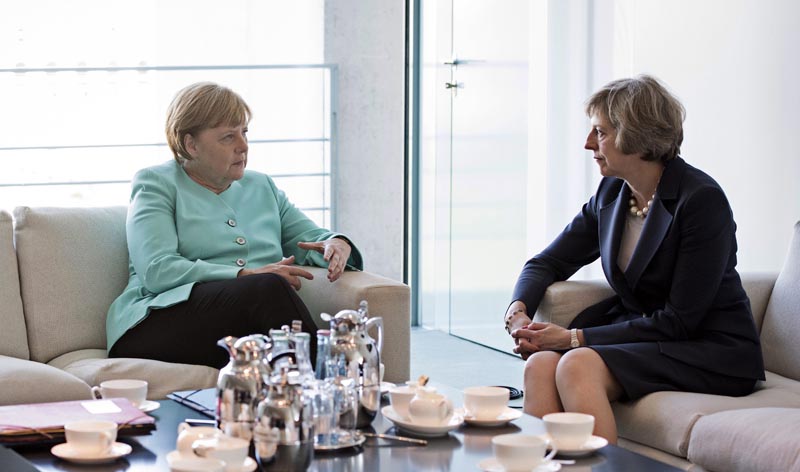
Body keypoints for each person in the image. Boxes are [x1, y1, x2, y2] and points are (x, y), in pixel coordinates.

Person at [505, 75, 764, 444]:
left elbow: (680, 321)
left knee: (577, 364)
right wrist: (518, 313)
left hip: (708, 347)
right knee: (541, 366)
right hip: (645, 335)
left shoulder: (701, 200)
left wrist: (575, 337)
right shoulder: (612, 192)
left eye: (601, 132)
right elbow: (546, 263)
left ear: (636, 136)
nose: (588, 143)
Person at [107, 82, 362, 369]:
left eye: (244, 132)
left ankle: (306, 391)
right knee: (268, 287)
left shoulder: (261, 186)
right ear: (191, 145)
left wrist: (336, 244)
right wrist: (243, 274)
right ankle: (331, 384)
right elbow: (157, 270)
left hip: (234, 327)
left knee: (272, 314)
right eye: (228, 137)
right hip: (155, 324)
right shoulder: (156, 184)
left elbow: (309, 239)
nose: (243, 146)